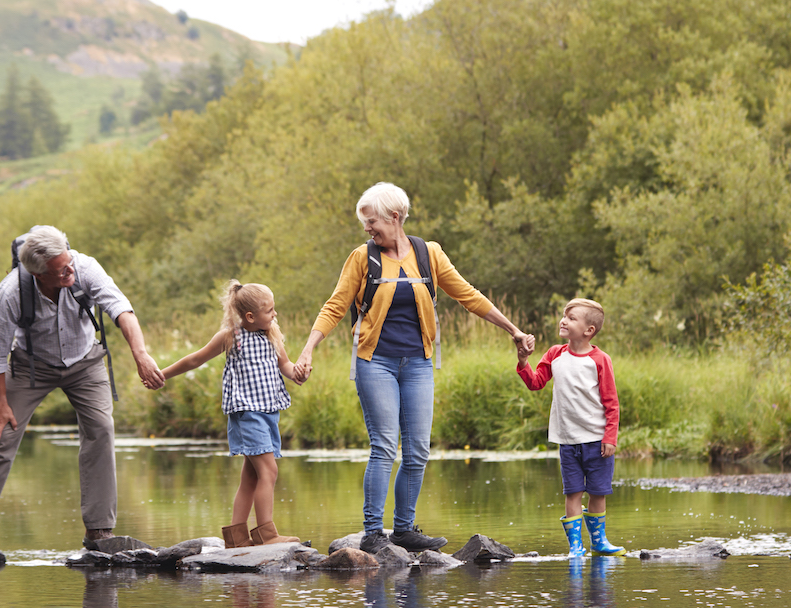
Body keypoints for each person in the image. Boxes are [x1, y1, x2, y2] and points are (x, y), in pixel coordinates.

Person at [295, 182, 537, 554]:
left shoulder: (429, 253)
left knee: (419, 448)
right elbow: (336, 305)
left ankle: (404, 529)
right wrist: (309, 348)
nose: (367, 229)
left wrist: (514, 330)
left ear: (395, 217)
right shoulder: (362, 257)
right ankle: (374, 532)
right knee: (384, 446)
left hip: (419, 364)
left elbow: (468, 295)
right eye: (365, 223)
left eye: (371, 221)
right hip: (375, 362)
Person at [0, 224, 165, 555]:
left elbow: (122, 311)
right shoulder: (11, 293)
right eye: (61, 270)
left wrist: (141, 355)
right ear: (38, 274)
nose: (69, 270)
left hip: (85, 362)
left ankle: (99, 531)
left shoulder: (84, 267)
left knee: (101, 431)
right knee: (1, 436)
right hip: (31, 367)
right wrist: (0, 403)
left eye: (68, 262)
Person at [160, 281, 302, 548]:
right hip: (247, 413)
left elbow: (285, 364)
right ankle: (266, 534)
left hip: (269, 412)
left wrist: (298, 373)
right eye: (270, 310)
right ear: (250, 316)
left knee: (251, 475)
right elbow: (195, 359)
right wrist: (162, 374)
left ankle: (237, 537)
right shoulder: (230, 337)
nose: (275, 315)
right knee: (269, 472)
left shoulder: (272, 333)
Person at [514, 297, 626, 557]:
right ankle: (576, 547)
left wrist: (610, 437)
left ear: (589, 330)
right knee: (573, 491)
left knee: (598, 492)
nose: (563, 320)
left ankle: (599, 542)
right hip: (567, 441)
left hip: (597, 440)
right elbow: (535, 382)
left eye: (571, 317)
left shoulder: (600, 360)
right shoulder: (555, 354)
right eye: (564, 316)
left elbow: (612, 402)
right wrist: (523, 361)